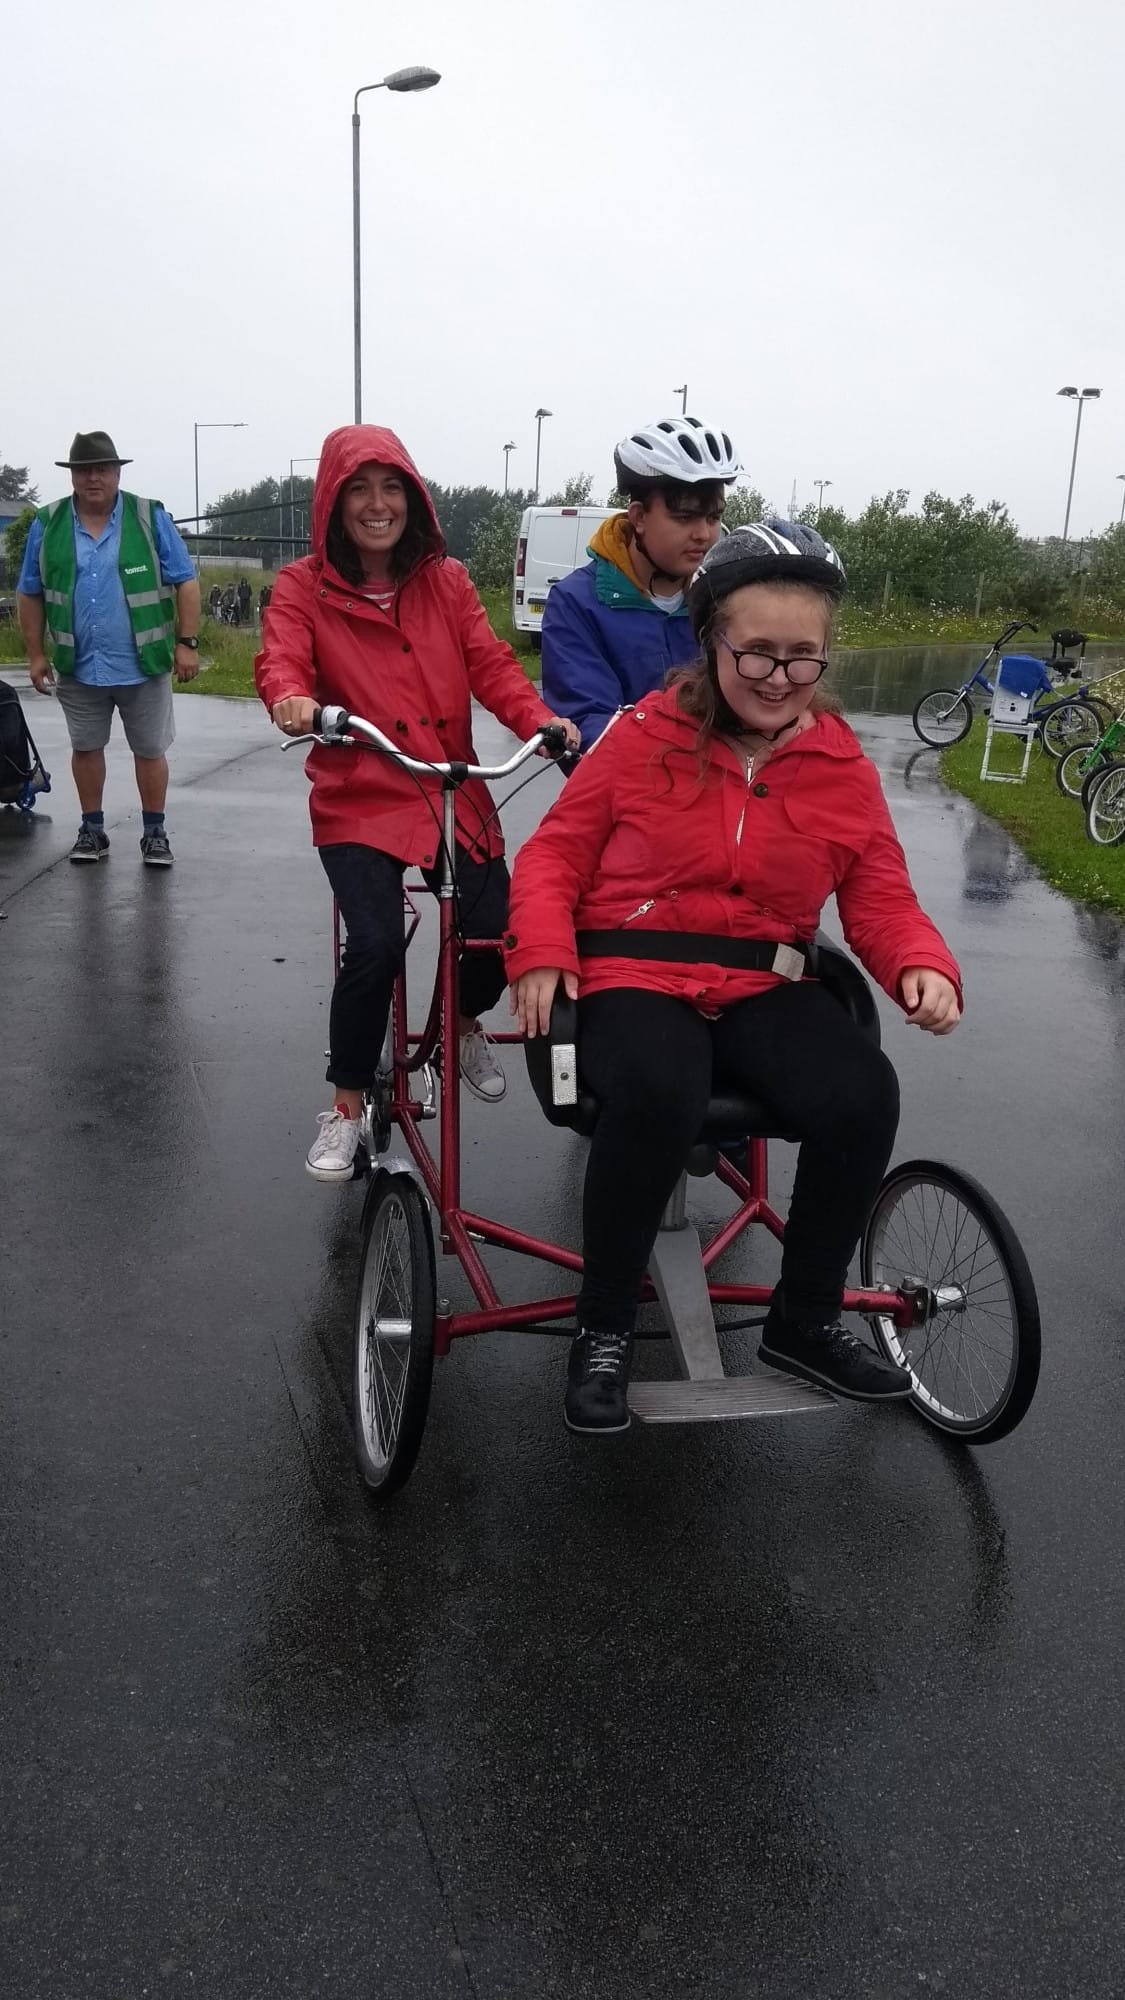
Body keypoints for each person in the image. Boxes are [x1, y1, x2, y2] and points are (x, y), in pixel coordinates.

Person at [506, 522, 963, 1435]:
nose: (777, 676)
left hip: (761, 983)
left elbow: (877, 892)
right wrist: (543, 953)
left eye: (802, 657)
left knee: (861, 1092)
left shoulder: (838, 764)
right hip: (636, 974)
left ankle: (803, 1319)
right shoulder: (640, 737)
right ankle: (602, 1330)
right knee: (658, 1087)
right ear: (711, 639)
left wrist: (919, 961)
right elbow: (552, 858)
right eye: (755, 651)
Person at [254, 424, 579, 1183]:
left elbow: (491, 665)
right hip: (361, 794)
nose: (376, 504)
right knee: (372, 944)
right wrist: (293, 700)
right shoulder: (303, 587)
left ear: (413, 498)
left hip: (448, 787)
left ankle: (460, 1025)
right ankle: (342, 1107)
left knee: (499, 929)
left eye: (390, 487)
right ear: (333, 503)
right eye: (359, 489)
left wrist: (539, 722)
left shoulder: (447, 581)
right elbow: (281, 658)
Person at [17, 431, 201, 866]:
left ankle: (154, 832)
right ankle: (92, 830)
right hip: (78, 664)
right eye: (83, 470)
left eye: (102, 469)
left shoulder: (148, 517)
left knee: (150, 750)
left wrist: (187, 643)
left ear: (118, 472)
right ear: (72, 476)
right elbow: (30, 591)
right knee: (85, 747)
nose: (93, 477)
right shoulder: (48, 523)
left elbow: (186, 582)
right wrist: (35, 654)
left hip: (145, 663)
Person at [541, 416, 742, 751]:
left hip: (722, 790)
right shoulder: (577, 603)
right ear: (638, 517)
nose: (704, 534)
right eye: (685, 517)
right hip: (632, 794)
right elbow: (590, 724)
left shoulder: (724, 599)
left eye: (713, 517)